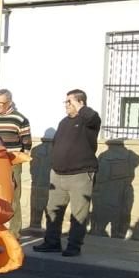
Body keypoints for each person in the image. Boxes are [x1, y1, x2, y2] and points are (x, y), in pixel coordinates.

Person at [34, 89, 101, 257]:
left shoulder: (89, 121)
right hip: (58, 175)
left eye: (69, 102)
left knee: (79, 212)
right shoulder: (64, 122)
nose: (66, 105)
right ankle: (52, 242)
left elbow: (93, 117)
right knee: (53, 210)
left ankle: (74, 246)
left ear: (80, 103)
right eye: (66, 102)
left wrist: (80, 108)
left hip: (80, 174)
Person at [0, 88, 33, 235]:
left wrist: (18, 157)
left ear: (10, 102)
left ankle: (14, 233)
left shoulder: (19, 119)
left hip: (12, 163)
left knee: (13, 197)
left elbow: (27, 143)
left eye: (1, 103)